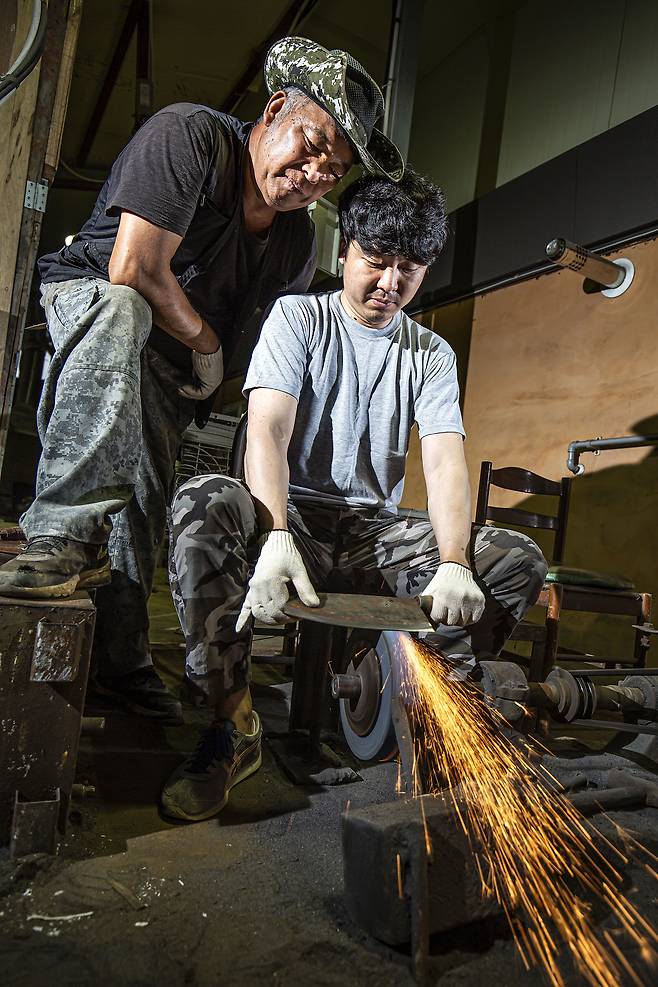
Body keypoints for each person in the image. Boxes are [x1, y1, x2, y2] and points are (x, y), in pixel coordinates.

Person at [0, 38, 403, 722]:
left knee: (145, 499)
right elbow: (134, 268)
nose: (311, 174)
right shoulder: (190, 138)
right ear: (274, 110)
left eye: (331, 172)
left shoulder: (296, 242)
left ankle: (118, 663)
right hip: (93, 300)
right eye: (308, 147)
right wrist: (207, 342)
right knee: (122, 308)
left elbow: (274, 344)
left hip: (167, 359)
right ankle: (59, 537)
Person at [161, 168, 548, 822]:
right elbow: (268, 430)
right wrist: (276, 529)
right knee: (202, 505)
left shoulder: (429, 353)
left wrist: (454, 557)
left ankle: (433, 707)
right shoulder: (298, 317)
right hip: (300, 522)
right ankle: (234, 725)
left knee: (514, 558)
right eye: (377, 261)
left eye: (410, 268)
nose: (391, 283)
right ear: (345, 249)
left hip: (376, 533)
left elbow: (447, 460)